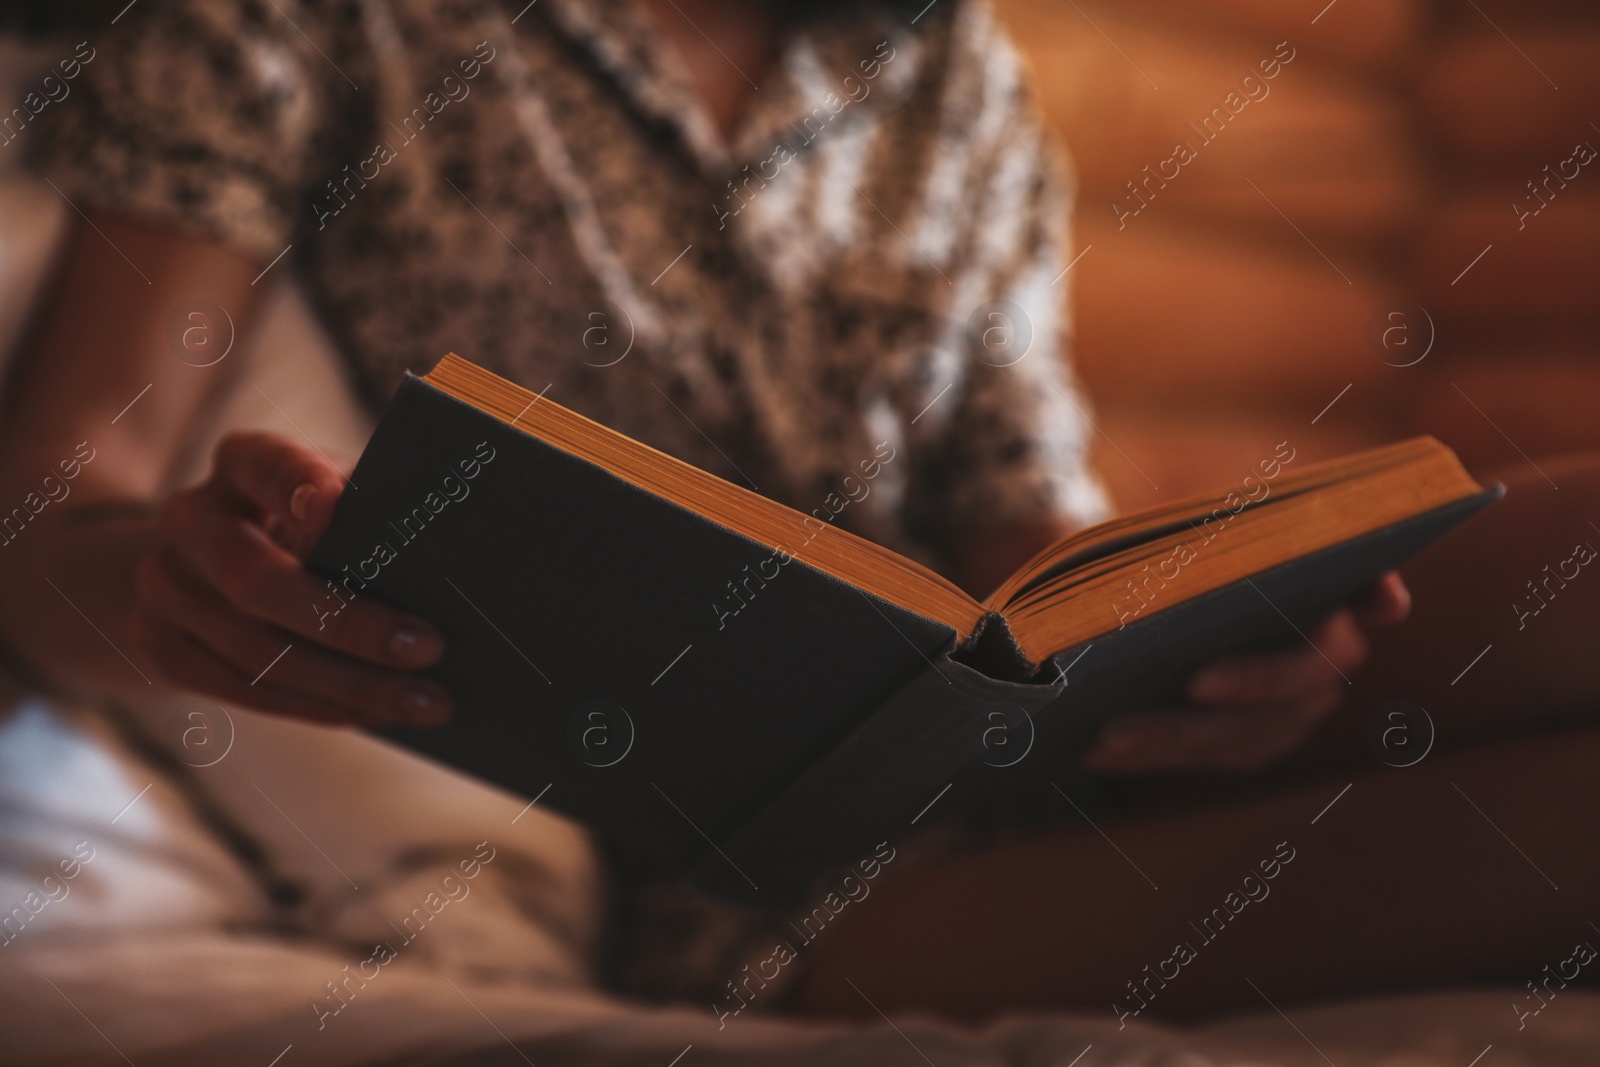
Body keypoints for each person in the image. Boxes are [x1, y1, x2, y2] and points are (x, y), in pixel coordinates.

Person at [0, 0, 1595, 1027]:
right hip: (732, 890)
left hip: (1005, 746)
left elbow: (1023, 542)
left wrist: (1241, 641)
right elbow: (56, 515)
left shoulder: (955, 78)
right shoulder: (298, 22)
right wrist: (174, 590)